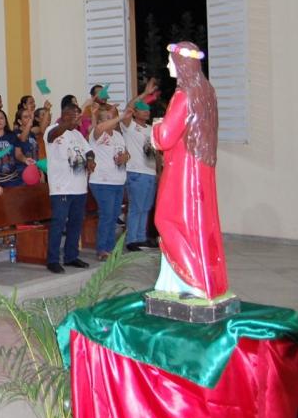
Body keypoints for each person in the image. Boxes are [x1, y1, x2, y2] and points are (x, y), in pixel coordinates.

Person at [152, 42, 229, 299]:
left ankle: (193, 278)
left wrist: (156, 127)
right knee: (200, 223)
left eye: (171, 61)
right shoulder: (207, 93)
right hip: (201, 167)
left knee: (168, 220)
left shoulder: (184, 95)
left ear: (182, 64)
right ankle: (195, 280)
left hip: (182, 170)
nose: (167, 65)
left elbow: (165, 137)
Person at [44, 102, 93, 274]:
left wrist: (91, 160)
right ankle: (52, 260)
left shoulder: (78, 135)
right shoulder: (53, 130)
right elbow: (51, 138)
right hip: (61, 188)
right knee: (58, 224)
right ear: (65, 115)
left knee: (75, 223)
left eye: (79, 116)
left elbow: (89, 151)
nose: (78, 119)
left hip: (80, 187)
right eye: (75, 116)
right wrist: (67, 123)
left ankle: (71, 256)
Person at [88, 104, 132, 261]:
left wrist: (124, 158)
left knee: (113, 215)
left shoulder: (118, 136)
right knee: (106, 214)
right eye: (107, 118)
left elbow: (127, 154)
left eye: (111, 117)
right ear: (100, 121)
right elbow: (100, 127)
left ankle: (110, 247)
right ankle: (102, 249)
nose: (111, 120)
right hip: (101, 181)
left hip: (118, 181)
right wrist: (120, 117)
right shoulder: (97, 133)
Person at [122, 82, 160, 252]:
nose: (147, 111)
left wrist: (158, 171)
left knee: (146, 207)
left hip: (150, 172)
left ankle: (141, 237)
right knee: (136, 207)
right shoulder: (130, 126)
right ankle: (132, 239)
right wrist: (144, 93)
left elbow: (156, 153)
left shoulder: (151, 129)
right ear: (135, 113)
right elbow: (128, 107)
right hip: (136, 172)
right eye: (143, 109)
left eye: (148, 109)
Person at [0, 110, 21, 187]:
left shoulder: (12, 136)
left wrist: (25, 160)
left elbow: (18, 154)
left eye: (1, 118)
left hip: (13, 180)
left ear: (5, 122)